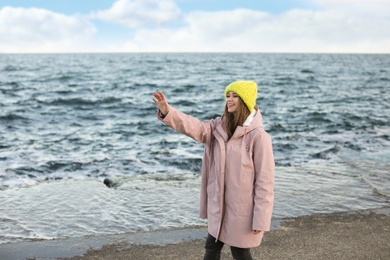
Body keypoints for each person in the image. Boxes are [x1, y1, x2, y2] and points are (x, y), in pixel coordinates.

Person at [152, 81, 275, 260]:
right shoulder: (218, 127)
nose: (229, 100)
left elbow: (265, 182)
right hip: (220, 207)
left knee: (239, 250)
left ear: (246, 101)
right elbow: (194, 127)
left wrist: (261, 219)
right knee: (212, 246)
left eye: (234, 96)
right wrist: (168, 112)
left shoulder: (259, 137)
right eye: (228, 96)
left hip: (243, 211)